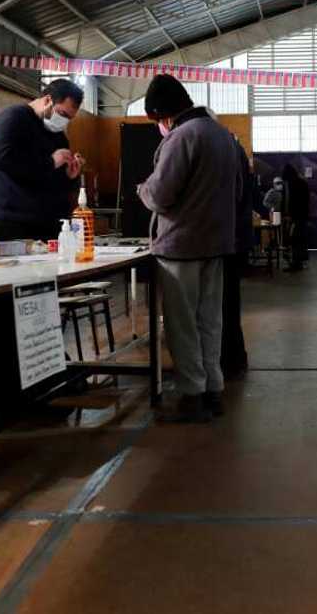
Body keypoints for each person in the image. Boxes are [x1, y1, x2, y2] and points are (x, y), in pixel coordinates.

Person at [138, 74, 241, 423]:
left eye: (156, 121)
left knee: (182, 327)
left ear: (164, 115)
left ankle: (192, 396)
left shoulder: (182, 136)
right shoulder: (222, 134)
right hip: (216, 244)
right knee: (210, 322)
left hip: (180, 247)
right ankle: (214, 389)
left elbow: (161, 194)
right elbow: (237, 193)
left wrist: (142, 189)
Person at [0, 78, 85, 242]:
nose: (64, 121)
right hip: (11, 221)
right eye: (63, 114)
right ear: (47, 100)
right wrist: (51, 162)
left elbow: (49, 177)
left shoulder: (58, 136)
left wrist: (69, 176)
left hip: (46, 221)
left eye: (69, 118)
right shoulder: (12, 118)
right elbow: (1, 160)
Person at [221, 136, 253, 380]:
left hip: (225, 241)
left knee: (223, 304)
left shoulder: (224, 150)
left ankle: (228, 361)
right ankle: (234, 359)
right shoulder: (236, 149)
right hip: (237, 239)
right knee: (230, 303)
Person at [282, 165, 310, 271]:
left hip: (297, 217)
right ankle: (299, 262)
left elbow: (294, 202)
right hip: (302, 216)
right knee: (300, 239)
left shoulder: (294, 184)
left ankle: (296, 263)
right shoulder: (301, 182)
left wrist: (289, 215)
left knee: (295, 239)